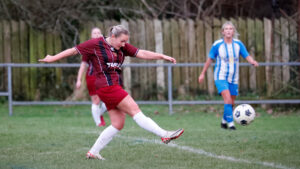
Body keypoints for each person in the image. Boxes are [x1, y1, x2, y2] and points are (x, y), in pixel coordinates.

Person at [39, 25, 184, 160]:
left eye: (125, 42)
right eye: (122, 41)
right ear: (113, 37)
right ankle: (164, 134)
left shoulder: (122, 47)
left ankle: (93, 152)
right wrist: (53, 58)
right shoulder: (95, 44)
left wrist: (162, 56)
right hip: (107, 87)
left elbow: (142, 53)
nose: (124, 44)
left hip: (111, 87)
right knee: (135, 110)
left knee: (118, 123)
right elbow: (73, 50)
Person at [198, 21, 258, 130]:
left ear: (233, 31)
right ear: (223, 32)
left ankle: (223, 122)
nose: (228, 31)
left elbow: (247, 55)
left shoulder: (238, 44)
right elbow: (209, 59)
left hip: (234, 78)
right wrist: (202, 73)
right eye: (226, 29)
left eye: (231, 29)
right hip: (220, 76)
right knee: (227, 100)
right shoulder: (217, 45)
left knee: (232, 102)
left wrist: (252, 61)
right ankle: (231, 125)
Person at [76, 27, 106, 127]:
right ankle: (98, 124)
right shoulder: (88, 48)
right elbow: (83, 65)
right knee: (96, 100)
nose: (97, 34)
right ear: (91, 36)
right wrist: (79, 79)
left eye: (99, 33)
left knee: (108, 100)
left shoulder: (106, 46)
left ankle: (99, 114)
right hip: (92, 77)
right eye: (94, 33)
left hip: (104, 77)